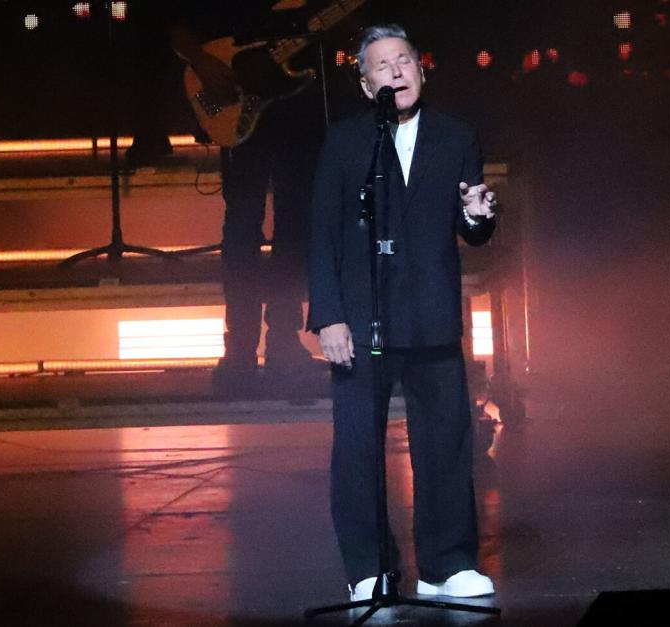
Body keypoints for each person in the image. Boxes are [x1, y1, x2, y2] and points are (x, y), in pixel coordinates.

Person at [306, 24, 499, 601]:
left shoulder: (455, 136)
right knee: (358, 445)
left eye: (404, 61)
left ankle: (445, 565)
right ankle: (369, 568)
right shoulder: (346, 142)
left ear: (421, 69)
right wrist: (330, 315)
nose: (396, 71)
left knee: (445, 439)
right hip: (362, 315)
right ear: (367, 86)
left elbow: (475, 227)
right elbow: (322, 233)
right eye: (382, 65)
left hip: (431, 309)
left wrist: (476, 215)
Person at [127, 1, 321, 394]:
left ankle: (279, 341)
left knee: (291, 228)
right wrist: (202, 61)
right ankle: (243, 349)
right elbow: (177, 28)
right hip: (246, 112)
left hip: (297, 112)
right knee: (246, 228)